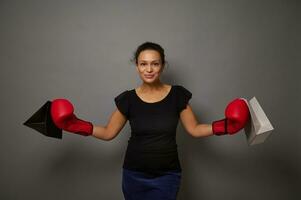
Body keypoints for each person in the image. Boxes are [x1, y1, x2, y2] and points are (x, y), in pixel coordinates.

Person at [50, 42, 250, 200]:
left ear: (162, 65)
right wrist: (74, 124)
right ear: (136, 66)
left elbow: (195, 129)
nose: (149, 69)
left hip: (167, 175)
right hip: (133, 174)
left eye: (155, 63)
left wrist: (226, 126)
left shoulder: (177, 95)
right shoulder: (128, 99)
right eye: (143, 63)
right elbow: (108, 132)